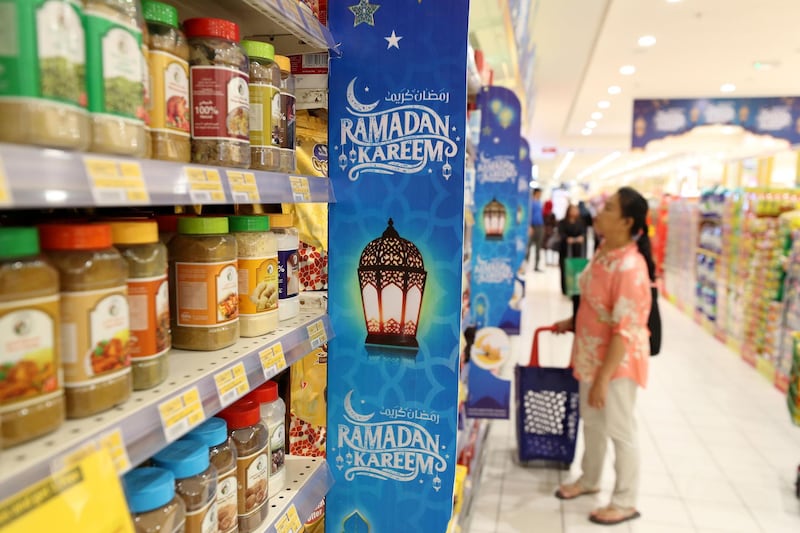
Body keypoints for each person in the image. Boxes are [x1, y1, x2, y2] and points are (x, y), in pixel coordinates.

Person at [552, 187, 654, 526]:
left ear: (626, 221)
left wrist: (603, 379)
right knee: (592, 424)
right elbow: (597, 303)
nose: (600, 211)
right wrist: (572, 321)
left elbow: (626, 330)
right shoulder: (604, 251)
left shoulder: (630, 267)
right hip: (591, 356)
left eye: (608, 208)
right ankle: (590, 478)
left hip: (616, 364)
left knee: (620, 429)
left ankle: (625, 499)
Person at [557, 204, 587, 296]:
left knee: (576, 268)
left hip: (578, 249)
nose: (574, 212)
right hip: (565, 248)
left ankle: (575, 288)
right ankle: (565, 289)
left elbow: (584, 233)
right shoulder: (562, 222)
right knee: (565, 267)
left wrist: (580, 238)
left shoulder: (581, 222)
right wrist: (567, 239)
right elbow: (561, 233)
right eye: (573, 210)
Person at [526, 188, 545, 272]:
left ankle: (536, 266)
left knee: (538, 246)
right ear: (536, 193)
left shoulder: (539, 203)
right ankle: (525, 264)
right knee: (528, 245)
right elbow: (528, 215)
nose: (540, 195)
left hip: (540, 226)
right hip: (532, 226)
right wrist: (529, 226)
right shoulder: (531, 203)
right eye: (539, 193)